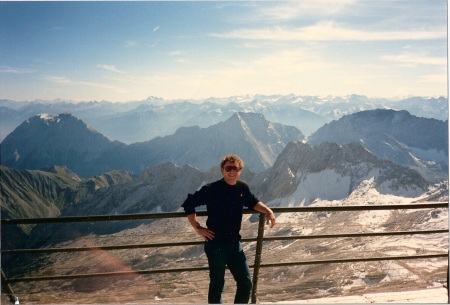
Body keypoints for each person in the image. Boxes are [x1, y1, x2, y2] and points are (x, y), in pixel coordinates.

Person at [181, 154, 276, 304]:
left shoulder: (242, 187)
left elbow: (252, 202)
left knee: (246, 283)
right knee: (217, 285)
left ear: (240, 170)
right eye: (228, 168)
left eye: (235, 168)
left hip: (234, 245)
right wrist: (198, 228)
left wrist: (268, 211)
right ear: (222, 170)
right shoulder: (212, 189)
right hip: (215, 245)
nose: (232, 172)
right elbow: (188, 204)